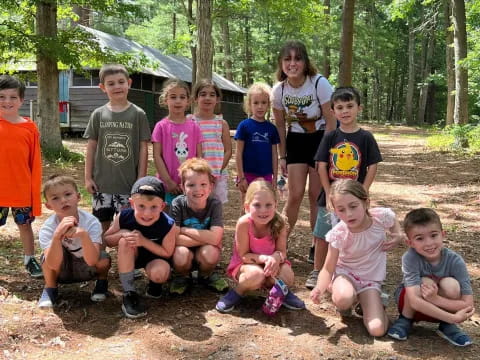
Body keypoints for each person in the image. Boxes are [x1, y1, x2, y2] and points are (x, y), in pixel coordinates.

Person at [306, 87, 382, 290]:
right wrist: (328, 192)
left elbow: (372, 165)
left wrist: (363, 191)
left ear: (359, 108)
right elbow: (321, 165)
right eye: (340, 107)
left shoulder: (366, 137)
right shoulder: (331, 137)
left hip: (355, 198)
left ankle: (356, 273)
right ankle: (317, 270)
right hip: (330, 197)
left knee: (355, 234)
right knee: (323, 234)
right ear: (332, 111)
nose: (345, 111)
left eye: (350, 106)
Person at [310, 179, 403, 337]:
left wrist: (397, 235)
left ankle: (375, 304)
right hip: (345, 275)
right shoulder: (340, 233)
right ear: (335, 211)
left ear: (365, 203)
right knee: (344, 299)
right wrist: (319, 288)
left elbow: (394, 222)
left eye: (353, 206)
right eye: (341, 210)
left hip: (370, 281)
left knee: (377, 330)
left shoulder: (381, 218)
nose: (349, 214)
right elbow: (328, 267)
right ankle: (344, 293)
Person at [271, 40, 336, 265]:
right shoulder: (279, 90)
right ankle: (280, 243)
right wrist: (282, 155)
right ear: (281, 63)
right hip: (296, 140)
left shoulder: (319, 83)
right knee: (295, 194)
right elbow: (280, 124)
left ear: (305, 61)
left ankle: (316, 245)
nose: (292, 63)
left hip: (320, 139)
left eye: (297, 58)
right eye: (287, 59)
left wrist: (325, 153)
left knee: (316, 196)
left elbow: (331, 120)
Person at [387, 208, 475, 347]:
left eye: (433, 235)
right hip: (410, 306)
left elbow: (468, 304)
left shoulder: (455, 261)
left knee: (451, 285)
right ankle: (405, 319)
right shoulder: (410, 258)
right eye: (420, 238)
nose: (428, 243)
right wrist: (453, 318)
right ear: (410, 243)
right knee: (425, 281)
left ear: (443, 235)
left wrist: (435, 299)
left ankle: (446, 326)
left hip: (439, 305)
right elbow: (414, 300)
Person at [216, 180, 305, 313]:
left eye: (268, 205)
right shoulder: (244, 223)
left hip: (271, 264)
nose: (263, 210)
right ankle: (237, 292)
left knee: (287, 275)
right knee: (255, 275)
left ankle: (280, 291)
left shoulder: (279, 222)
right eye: (257, 205)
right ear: (247, 207)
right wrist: (264, 258)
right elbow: (244, 256)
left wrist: (275, 257)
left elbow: (282, 252)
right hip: (247, 265)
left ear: (275, 205)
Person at [84, 64, 150, 234]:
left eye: (121, 82)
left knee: (128, 225)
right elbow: (91, 146)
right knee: (101, 224)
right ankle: (101, 257)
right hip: (102, 185)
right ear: (102, 88)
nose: (117, 86)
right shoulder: (98, 114)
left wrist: (140, 180)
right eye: (111, 83)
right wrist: (87, 177)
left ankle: (128, 258)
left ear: (129, 83)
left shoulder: (138, 114)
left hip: (128, 185)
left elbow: (143, 148)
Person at [104, 176, 179, 319]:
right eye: (141, 206)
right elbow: (107, 240)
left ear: (162, 206)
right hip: (132, 255)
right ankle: (129, 292)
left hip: (156, 258)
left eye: (154, 207)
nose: (147, 213)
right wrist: (123, 234)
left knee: (160, 273)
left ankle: (154, 284)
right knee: (125, 241)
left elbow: (167, 252)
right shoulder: (124, 216)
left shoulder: (168, 224)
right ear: (132, 204)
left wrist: (144, 241)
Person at [38, 175, 111, 308]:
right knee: (45, 258)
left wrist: (83, 235)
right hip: (62, 270)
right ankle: (50, 289)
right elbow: (53, 264)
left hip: (87, 268)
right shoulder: (48, 227)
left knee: (104, 258)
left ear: (78, 197)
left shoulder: (91, 222)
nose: (63, 200)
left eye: (67, 194)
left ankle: (101, 283)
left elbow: (93, 261)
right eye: (55, 198)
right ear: (48, 206)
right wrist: (56, 237)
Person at [0, 75, 43, 278]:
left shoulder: (29, 128)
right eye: (1, 96)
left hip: (21, 189)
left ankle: (29, 259)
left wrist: (34, 195)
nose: (7, 101)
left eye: (12, 97)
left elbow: (34, 162)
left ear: (21, 100)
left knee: (25, 226)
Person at [169, 158, 228, 294]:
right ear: (183, 187)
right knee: (180, 255)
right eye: (191, 185)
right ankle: (183, 276)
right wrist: (208, 237)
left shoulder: (214, 204)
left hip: (205, 249)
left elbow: (215, 239)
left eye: (203, 184)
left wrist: (183, 230)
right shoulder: (177, 204)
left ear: (210, 187)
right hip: (184, 249)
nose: (198, 189)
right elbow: (173, 238)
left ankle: (205, 275)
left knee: (211, 254)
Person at [152, 78, 203, 206]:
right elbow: (157, 156)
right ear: (165, 100)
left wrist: (195, 180)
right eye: (173, 97)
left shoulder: (194, 127)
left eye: (182, 97)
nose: (178, 101)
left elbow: (199, 157)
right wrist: (168, 181)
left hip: (190, 186)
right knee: (168, 221)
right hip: (166, 186)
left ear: (188, 101)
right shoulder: (161, 126)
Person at [235, 83, 280, 206]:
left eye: (263, 103)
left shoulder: (272, 129)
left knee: (264, 205)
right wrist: (241, 177)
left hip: (266, 175)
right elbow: (238, 153)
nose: (260, 106)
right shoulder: (244, 126)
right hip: (247, 174)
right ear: (249, 104)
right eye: (256, 103)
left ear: (268, 104)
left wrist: (275, 177)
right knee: (247, 206)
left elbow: (274, 155)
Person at [190, 79, 232, 204]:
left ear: (217, 99)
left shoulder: (221, 123)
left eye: (212, 95)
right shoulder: (190, 121)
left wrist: (217, 171)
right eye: (203, 94)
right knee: (196, 206)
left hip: (217, 176)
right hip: (195, 174)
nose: (207, 98)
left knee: (215, 207)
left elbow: (228, 150)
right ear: (196, 98)